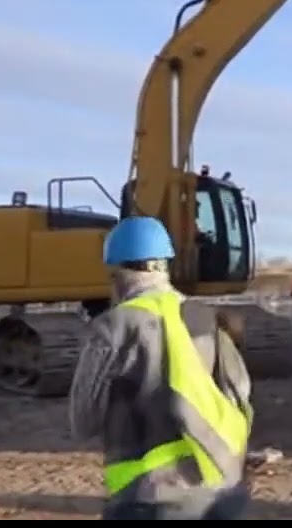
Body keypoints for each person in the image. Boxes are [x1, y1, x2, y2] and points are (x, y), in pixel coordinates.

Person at [69, 216, 255, 520]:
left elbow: (83, 421)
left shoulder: (113, 327)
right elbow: (239, 394)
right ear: (164, 265)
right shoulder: (204, 316)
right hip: (223, 488)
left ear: (117, 273)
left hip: (149, 497)